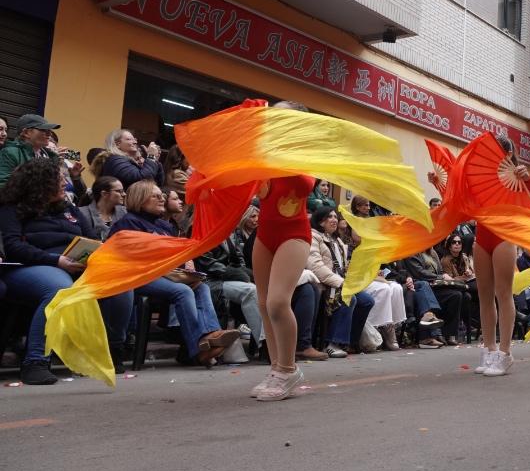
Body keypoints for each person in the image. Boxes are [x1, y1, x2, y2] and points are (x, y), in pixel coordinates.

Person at [0, 159, 133, 383]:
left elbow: (89, 237)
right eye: (58, 178)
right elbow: (14, 247)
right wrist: (56, 260)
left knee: (119, 284)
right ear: (39, 183)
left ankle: (113, 351)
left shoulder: (68, 209)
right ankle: (35, 362)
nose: (64, 182)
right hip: (30, 266)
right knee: (59, 288)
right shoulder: (11, 208)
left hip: (74, 264)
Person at [109, 180, 239, 366]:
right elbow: (127, 255)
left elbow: (176, 254)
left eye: (161, 196)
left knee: (200, 288)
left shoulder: (165, 226)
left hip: (167, 275)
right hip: (139, 277)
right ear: (140, 199)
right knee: (183, 291)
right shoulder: (128, 223)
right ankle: (197, 349)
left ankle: (210, 335)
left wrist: (187, 265)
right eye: (156, 196)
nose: (162, 199)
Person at [246, 100, 316, 400]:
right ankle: (277, 369)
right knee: (263, 304)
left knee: (277, 302)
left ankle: (288, 369)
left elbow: (304, 184)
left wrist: (275, 155)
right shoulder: (261, 152)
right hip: (265, 235)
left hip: (294, 235)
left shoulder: (304, 154)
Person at [473, 137, 530, 376]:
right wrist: (439, 183)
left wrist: (526, 177)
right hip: (481, 238)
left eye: (496, 151)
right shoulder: (479, 175)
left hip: (503, 237)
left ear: (509, 152)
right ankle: (489, 349)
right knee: (484, 295)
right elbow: (459, 194)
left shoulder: (515, 175)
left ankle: (505, 352)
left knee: (503, 293)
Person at [307, 206, 374, 357]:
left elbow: (343, 267)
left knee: (367, 301)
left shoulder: (337, 240)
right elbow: (316, 266)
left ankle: (350, 342)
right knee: (348, 298)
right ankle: (333, 343)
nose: (334, 220)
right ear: (320, 221)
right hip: (323, 284)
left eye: (335, 217)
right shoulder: (314, 237)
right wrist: (340, 282)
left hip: (339, 282)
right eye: (330, 217)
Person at [0, 114, 62, 187]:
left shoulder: (50, 156)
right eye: (44, 130)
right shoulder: (10, 153)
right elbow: (3, 185)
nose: (49, 134)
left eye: (49, 130)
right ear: (26, 133)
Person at [93, 129, 163, 191]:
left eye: (134, 139)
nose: (135, 142)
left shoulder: (123, 161)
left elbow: (156, 184)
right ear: (117, 144)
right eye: (129, 139)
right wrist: (151, 157)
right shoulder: (115, 160)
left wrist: (155, 160)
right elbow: (142, 180)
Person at [79, 176, 127, 241]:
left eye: (123, 191)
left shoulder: (124, 212)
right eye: (119, 191)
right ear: (104, 194)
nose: (124, 194)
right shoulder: (81, 213)